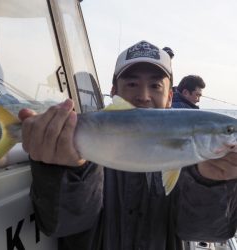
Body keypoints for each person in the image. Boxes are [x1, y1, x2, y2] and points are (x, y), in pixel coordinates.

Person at [18, 40, 237, 250]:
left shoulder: (195, 165)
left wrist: (212, 184)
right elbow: (61, 224)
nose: (143, 96)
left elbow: (205, 233)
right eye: (132, 83)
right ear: (113, 92)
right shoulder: (82, 152)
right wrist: (68, 170)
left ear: (170, 97)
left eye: (155, 86)